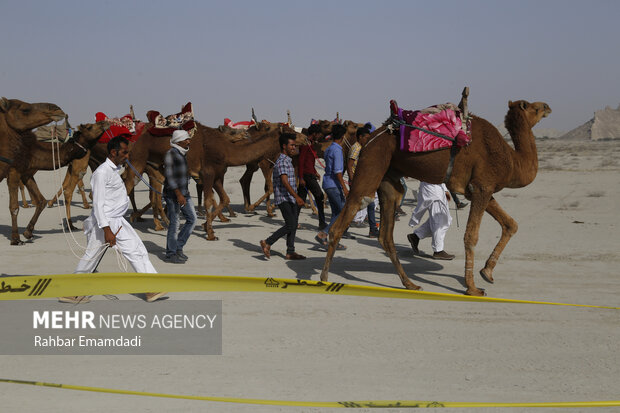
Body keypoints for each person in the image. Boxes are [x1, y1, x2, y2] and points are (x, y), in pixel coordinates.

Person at [62, 136, 165, 304]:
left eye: (128, 152)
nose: (127, 156)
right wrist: (107, 229)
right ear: (113, 152)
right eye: (124, 152)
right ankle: (73, 292)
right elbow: (98, 204)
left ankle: (152, 287)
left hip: (116, 221)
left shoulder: (113, 171)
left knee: (136, 250)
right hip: (106, 223)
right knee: (91, 257)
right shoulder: (102, 173)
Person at [260, 133, 306, 260]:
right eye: (292, 145)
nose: (294, 147)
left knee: (293, 223)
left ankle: (290, 251)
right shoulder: (282, 162)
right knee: (291, 224)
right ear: (284, 146)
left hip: (290, 197)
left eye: (295, 145)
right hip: (284, 198)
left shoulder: (288, 160)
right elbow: (285, 182)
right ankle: (267, 242)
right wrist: (297, 196)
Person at [315, 124, 352, 249]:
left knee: (336, 212)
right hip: (333, 185)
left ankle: (333, 240)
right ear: (342, 137)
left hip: (328, 183)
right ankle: (323, 233)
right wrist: (345, 188)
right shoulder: (337, 150)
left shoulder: (330, 148)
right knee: (342, 213)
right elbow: (338, 172)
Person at [162, 130, 197, 263]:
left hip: (184, 194)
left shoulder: (182, 154)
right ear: (178, 141)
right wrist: (179, 195)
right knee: (175, 224)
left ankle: (178, 247)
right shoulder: (170, 154)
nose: (188, 141)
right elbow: (170, 178)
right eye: (186, 139)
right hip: (173, 195)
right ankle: (170, 254)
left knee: (192, 219)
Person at [406, 181, 455, 260]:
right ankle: (438, 251)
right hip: (432, 189)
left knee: (445, 220)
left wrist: (445, 189)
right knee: (439, 221)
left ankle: (416, 236)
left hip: (438, 187)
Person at [347, 127, 379, 238]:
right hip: (357, 181)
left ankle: (373, 229)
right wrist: (352, 181)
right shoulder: (356, 148)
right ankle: (343, 227)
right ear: (360, 137)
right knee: (353, 205)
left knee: (370, 204)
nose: (367, 139)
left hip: (362, 181)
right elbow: (350, 165)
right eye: (366, 137)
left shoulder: (361, 147)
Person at [297, 124, 327, 230]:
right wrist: (301, 178)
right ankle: (322, 223)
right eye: (318, 134)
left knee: (300, 200)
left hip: (309, 174)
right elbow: (301, 161)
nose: (319, 136)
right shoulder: (305, 144)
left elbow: (309, 161)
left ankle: (293, 221)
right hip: (306, 176)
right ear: (314, 134)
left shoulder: (310, 143)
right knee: (319, 196)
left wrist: (315, 172)